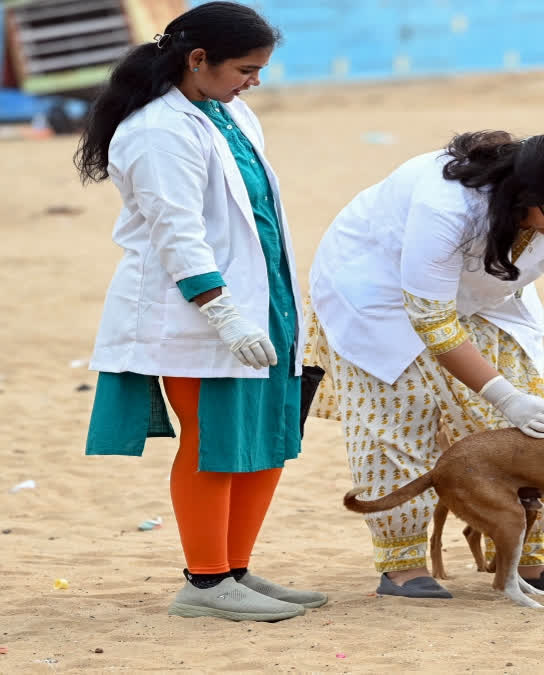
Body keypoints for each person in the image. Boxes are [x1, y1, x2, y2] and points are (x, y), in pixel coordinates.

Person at [303, 130, 544, 599]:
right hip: (377, 291)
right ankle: (402, 566)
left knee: (535, 427)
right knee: (400, 420)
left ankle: (531, 558)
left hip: (488, 295)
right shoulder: (447, 205)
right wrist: (505, 397)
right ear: (521, 197)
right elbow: (432, 318)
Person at [78, 2, 325, 622]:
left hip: (266, 299)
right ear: (197, 60)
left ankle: (234, 567)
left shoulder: (229, 113)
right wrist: (224, 314)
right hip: (200, 310)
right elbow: (177, 233)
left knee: (268, 436)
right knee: (212, 440)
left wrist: (264, 309)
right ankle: (206, 582)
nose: (255, 81)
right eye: (246, 67)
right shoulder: (158, 132)